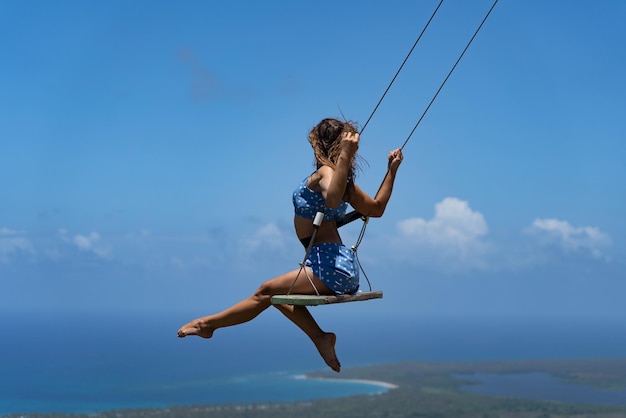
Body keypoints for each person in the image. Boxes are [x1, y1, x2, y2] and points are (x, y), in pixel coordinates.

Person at [178, 118, 403, 373]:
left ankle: (207, 325)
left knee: (264, 292)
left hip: (329, 265)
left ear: (319, 144)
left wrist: (345, 155)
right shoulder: (342, 182)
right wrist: (391, 171)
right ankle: (321, 338)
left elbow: (331, 201)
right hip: (341, 267)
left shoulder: (326, 173)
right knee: (279, 297)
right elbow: (377, 208)